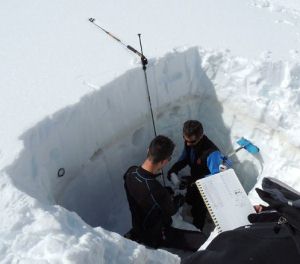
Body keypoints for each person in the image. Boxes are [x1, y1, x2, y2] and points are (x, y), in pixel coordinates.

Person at [124, 135, 207, 251]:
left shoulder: (130, 172)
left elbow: (147, 195)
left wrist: (166, 193)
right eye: (169, 159)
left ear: (148, 150)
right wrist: (179, 198)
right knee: (203, 241)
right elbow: (172, 210)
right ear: (164, 161)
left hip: (138, 224)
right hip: (155, 235)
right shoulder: (157, 191)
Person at [168, 120, 228, 230]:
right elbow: (185, 158)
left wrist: (198, 180)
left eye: (192, 142)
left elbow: (216, 177)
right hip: (194, 179)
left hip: (206, 186)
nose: (187, 144)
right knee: (188, 197)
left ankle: (197, 230)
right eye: (185, 139)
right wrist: (174, 168)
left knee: (199, 209)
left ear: (200, 136)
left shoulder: (212, 153)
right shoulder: (189, 143)